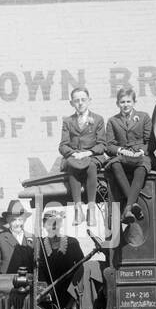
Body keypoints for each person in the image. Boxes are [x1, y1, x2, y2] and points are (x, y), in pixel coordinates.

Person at [104, 86, 153, 224]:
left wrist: (141, 151)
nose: (125, 105)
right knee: (114, 164)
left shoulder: (144, 117)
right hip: (123, 156)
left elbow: (150, 141)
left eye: (128, 102)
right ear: (117, 103)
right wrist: (121, 150)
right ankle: (133, 204)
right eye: (122, 102)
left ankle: (128, 208)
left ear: (134, 102)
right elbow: (109, 145)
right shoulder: (113, 121)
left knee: (142, 166)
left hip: (140, 155)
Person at [58, 87, 107, 220]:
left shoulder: (97, 119)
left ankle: (91, 209)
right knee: (72, 166)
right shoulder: (68, 121)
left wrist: (88, 153)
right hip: (75, 156)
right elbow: (63, 145)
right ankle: (77, 209)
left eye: (83, 100)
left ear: (89, 101)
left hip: (92, 156)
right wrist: (73, 154)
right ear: (71, 103)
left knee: (91, 166)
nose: (80, 103)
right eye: (76, 100)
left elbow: (102, 144)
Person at [36, 205, 89, 309]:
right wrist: (44, 294)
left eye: (57, 223)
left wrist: (73, 302)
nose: (54, 226)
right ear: (45, 225)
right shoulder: (39, 246)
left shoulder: (72, 243)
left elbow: (81, 270)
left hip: (71, 296)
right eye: (50, 223)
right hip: (49, 297)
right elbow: (38, 274)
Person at [0, 199, 35, 275]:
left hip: (30, 283)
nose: (18, 223)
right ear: (8, 220)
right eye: (14, 220)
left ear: (25, 220)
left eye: (20, 219)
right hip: (9, 284)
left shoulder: (32, 238)